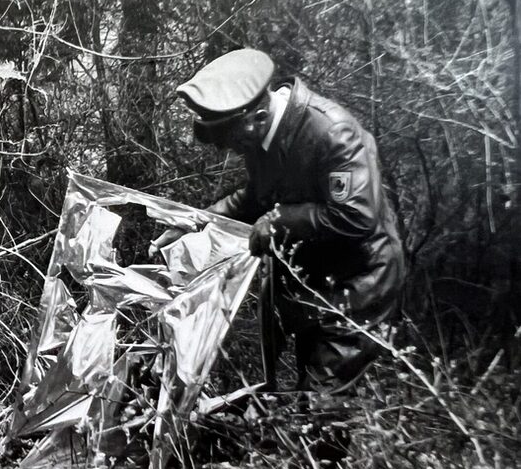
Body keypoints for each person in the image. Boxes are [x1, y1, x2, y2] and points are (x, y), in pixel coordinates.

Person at [151, 48, 405, 394]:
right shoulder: (263, 132)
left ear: (256, 116)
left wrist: (282, 221)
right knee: (310, 378)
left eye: (235, 141)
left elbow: (357, 216)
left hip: (359, 282)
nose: (235, 151)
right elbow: (257, 196)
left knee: (322, 401)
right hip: (315, 279)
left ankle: (324, 442)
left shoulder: (333, 132)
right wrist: (198, 221)